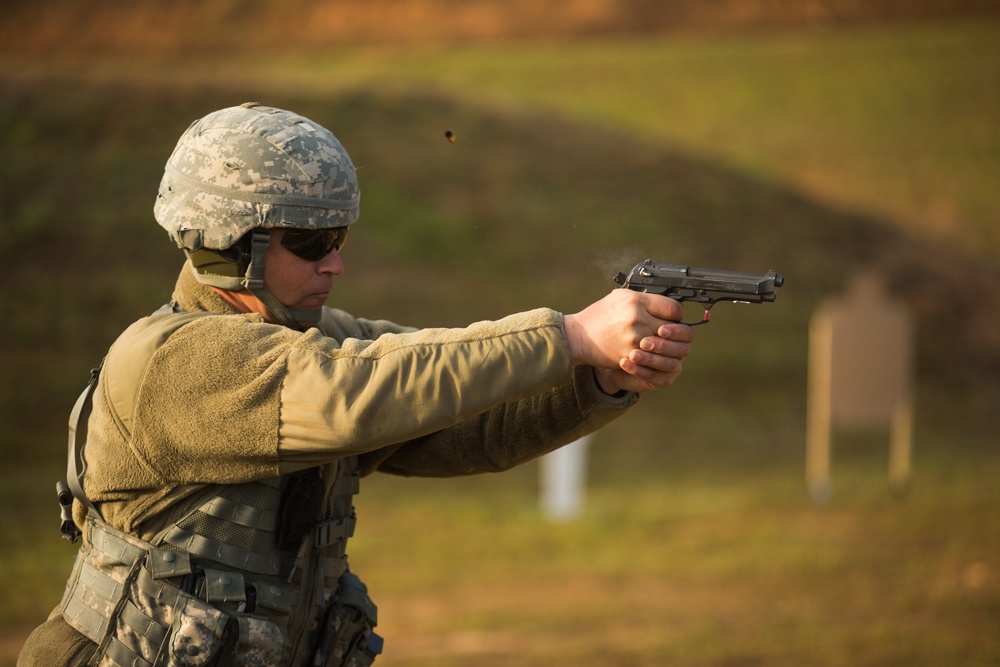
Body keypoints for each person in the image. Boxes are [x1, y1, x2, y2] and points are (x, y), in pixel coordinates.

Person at [18, 102, 694, 667]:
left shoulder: (316, 339)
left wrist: (594, 379)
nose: (336, 262)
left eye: (338, 235)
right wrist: (570, 335)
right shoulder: (170, 362)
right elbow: (354, 390)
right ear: (232, 242)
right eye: (311, 242)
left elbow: (465, 423)